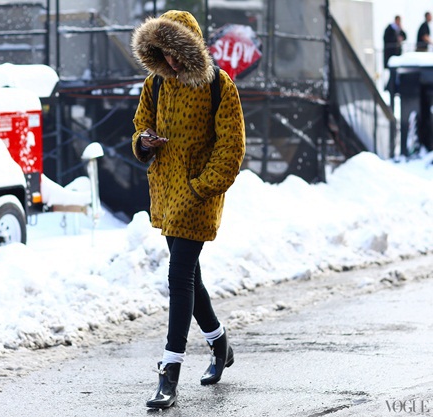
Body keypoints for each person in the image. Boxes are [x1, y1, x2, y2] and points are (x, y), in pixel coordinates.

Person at [130, 10, 246, 409]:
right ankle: (219, 343)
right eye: (165, 53)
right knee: (190, 278)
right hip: (165, 193)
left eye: (179, 53)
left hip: (198, 198)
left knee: (178, 277)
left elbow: (231, 147)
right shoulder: (154, 83)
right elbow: (139, 126)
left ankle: (169, 371)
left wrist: (201, 188)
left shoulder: (219, 86)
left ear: (193, 49)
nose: (172, 62)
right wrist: (144, 142)